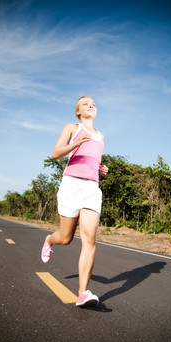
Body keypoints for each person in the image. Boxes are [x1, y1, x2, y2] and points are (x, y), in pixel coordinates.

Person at [41, 95, 108, 307]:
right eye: (86, 104)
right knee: (66, 238)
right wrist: (76, 142)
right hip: (71, 185)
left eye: (94, 104)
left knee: (89, 238)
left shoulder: (100, 136)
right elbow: (55, 154)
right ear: (78, 111)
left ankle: (83, 293)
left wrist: (100, 169)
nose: (91, 106)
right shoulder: (72, 127)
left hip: (91, 188)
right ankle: (50, 240)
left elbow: (91, 159)